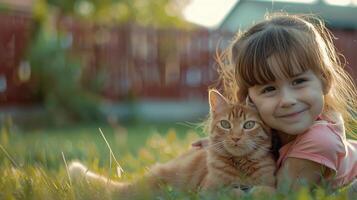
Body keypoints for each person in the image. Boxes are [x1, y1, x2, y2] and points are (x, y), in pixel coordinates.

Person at [193, 13, 357, 194]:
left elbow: (281, 195)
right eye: (269, 89)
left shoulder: (320, 141)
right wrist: (225, 145)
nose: (287, 100)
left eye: (298, 81)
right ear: (249, 100)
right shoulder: (277, 127)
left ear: (325, 81)